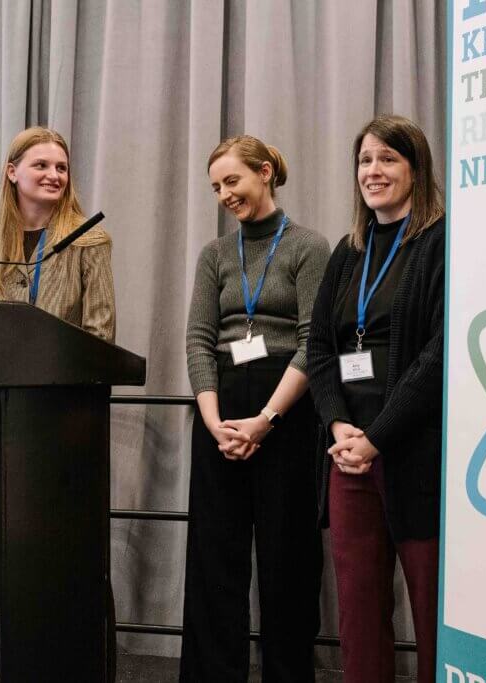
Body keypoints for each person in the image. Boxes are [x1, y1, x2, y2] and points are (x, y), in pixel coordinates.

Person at [181, 135, 329, 682]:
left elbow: (314, 342)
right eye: (216, 187)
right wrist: (213, 421)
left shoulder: (309, 247)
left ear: (264, 172)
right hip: (221, 413)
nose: (224, 194)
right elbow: (199, 339)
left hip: (285, 412)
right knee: (213, 559)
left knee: (288, 559)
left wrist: (266, 421)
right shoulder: (215, 255)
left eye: (232, 180)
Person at [306, 114, 445, 683]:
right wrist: (338, 425)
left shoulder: (440, 241)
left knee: (434, 612)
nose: (373, 170)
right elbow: (319, 349)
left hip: (415, 455)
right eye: (365, 160)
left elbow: (439, 354)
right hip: (348, 457)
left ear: (416, 169)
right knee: (359, 613)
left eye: (388, 158)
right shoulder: (348, 251)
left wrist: (378, 437)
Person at [0, 126, 115, 342]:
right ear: (12, 172)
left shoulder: (89, 239)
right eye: (41, 165)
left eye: (61, 168)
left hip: (66, 364)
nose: (54, 176)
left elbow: (101, 336)